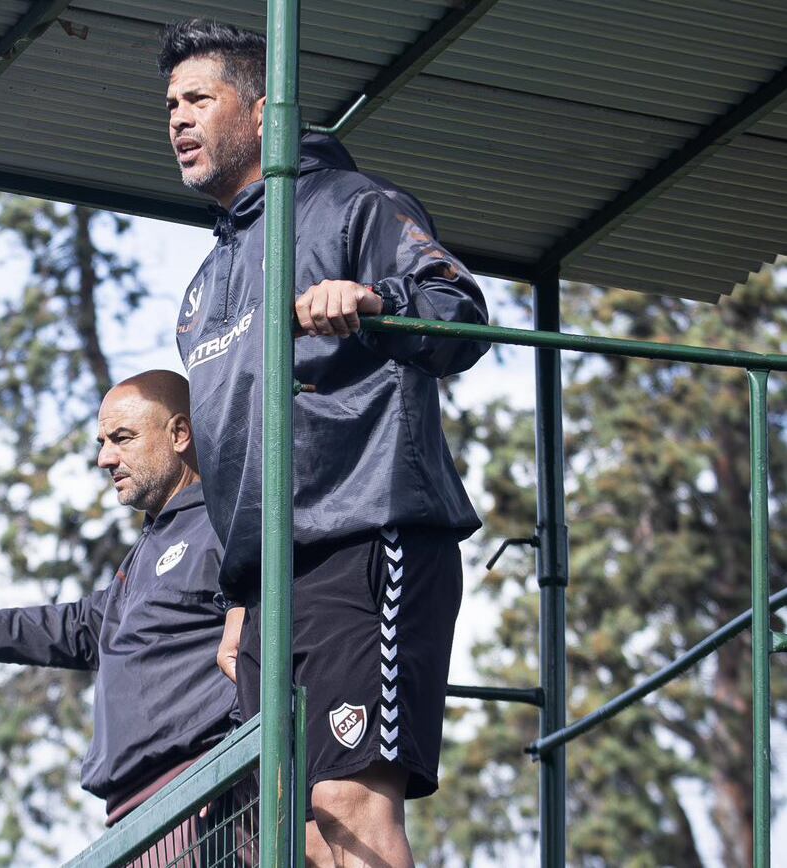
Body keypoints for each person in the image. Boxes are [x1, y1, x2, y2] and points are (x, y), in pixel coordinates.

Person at [158, 19, 490, 868]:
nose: (179, 117)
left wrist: (377, 301)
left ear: (263, 112)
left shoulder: (353, 204)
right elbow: (238, 454)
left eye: (199, 98)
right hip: (269, 579)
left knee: (350, 806)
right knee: (300, 833)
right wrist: (240, 591)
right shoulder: (203, 286)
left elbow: (460, 315)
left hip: (367, 531)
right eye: (171, 105)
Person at [0, 370, 247, 863]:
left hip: (203, 794)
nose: (105, 457)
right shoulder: (146, 551)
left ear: (179, 433)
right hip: (137, 815)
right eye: (103, 443)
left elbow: (271, 644)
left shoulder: (225, 523)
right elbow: (80, 626)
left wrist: (232, 770)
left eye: (122, 438)